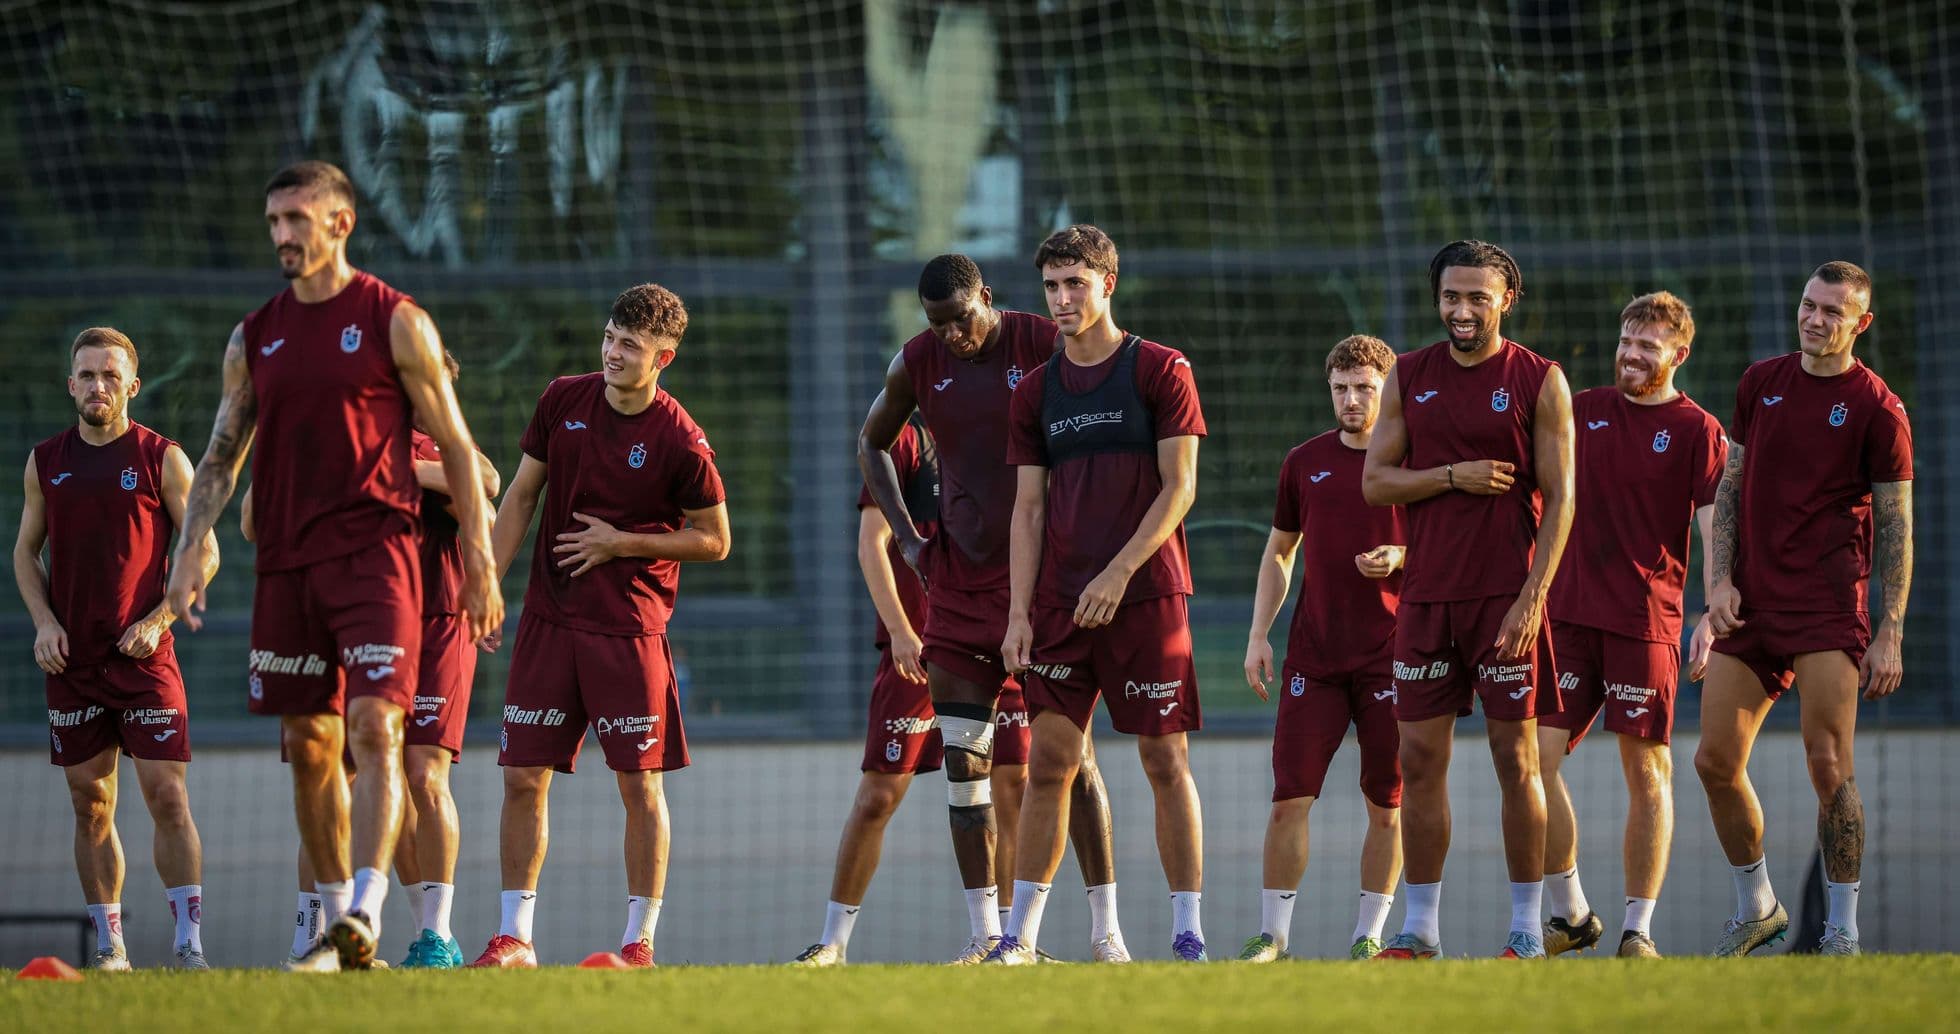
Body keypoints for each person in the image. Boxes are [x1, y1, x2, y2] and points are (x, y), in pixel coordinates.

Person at [164, 160, 502, 972]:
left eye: (298, 219)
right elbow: (219, 454)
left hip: (377, 560)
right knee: (310, 743)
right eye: (274, 220)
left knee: (376, 727)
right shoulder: (254, 336)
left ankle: (366, 912)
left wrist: (484, 563)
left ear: (340, 223)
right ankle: (332, 928)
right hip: (286, 563)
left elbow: (459, 449)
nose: (283, 235)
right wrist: (184, 557)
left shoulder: (396, 321)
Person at [857, 254, 1124, 963]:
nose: (952, 335)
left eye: (962, 319)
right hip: (960, 589)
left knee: (1071, 761)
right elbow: (871, 442)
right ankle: (988, 940)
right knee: (963, 764)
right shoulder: (916, 362)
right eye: (938, 325)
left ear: (988, 297)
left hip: (1048, 588)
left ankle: (1107, 937)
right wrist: (912, 544)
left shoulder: (1043, 342)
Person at [469, 284, 730, 969]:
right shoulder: (563, 399)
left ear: (663, 358)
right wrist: (486, 586)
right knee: (522, 778)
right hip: (549, 624)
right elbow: (523, 494)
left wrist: (622, 543)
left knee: (640, 787)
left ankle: (639, 944)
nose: (613, 353)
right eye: (610, 338)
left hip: (629, 632)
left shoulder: (680, 437)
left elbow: (714, 539)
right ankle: (514, 938)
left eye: (631, 347)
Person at [992, 225, 1207, 964]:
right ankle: (1019, 939)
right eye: (1051, 286)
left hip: (1146, 598)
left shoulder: (1160, 368)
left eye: (1075, 283)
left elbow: (1180, 489)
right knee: (1049, 763)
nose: (1060, 299)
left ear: (1107, 283)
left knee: (1163, 762)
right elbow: (1027, 508)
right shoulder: (1034, 389)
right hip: (1058, 607)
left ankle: (1187, 935)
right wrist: (1019, 614)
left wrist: (1117, 573)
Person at [244, 347, 499, 968]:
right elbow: (254, 520)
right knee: (331, 775)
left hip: (435, 622)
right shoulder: (321, 434)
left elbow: (486, 487)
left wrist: (392, 474)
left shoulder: (437, 444)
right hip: (337, 622)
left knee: (422, 775)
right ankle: (314, 936)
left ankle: (433, 935)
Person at [1362, 239, 1574, 959]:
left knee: (1518, 762)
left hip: (1504, 600)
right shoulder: (1407, 374)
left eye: (1477, 298)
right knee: (1417, 762)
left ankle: (1526, 929)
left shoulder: (1540, 379)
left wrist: (1532, 598)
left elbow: (1565, 499)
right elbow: (1376, 482)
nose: (1461, 310)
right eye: (1451, 296)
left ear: (1506, 300)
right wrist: (1453, 474)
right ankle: (1420, 931)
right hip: (1425, 599)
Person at [1697, 261, 1912, 957]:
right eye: (1809, 305)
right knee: (1713, 762)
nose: (1815, 320)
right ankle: (1758, 905)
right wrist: (1719, 583)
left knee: (1829, 765)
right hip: (1750, 607)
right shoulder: (1760, 383)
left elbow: (1897, 526)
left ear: (1861, 324)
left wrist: (1890, 632)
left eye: (1832, 311)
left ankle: (1841, 934)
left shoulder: (1880, 408)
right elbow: (1729, 488)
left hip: (1826, 610)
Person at [14, 327, 216, 970]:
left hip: (145, 657)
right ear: (70, 384)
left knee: (167, 796)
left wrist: (160, 621)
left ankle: (188, 945)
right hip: (72, 664)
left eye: (110, 376)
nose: (98, 386)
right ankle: (111, 948)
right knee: (90, 802)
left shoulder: (163, 457)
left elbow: (204, 552)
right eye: (86, 375)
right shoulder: (45, 460)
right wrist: (44, 621)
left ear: (132, 386)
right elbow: (25, 551)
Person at [1534, 292, 1724, 959]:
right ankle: (1573, 911)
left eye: (1647, 345)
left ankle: (1638, 929)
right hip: (1567, 618)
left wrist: (1711, 611)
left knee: (1647, 772)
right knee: (1532, 760)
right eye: (1625, 340)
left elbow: (1712, 527)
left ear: (1679, 354)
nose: (1632, 354)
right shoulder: (1582, 410)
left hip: (1646, 624)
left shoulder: (1700, 429)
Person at [1238, 335, 1406, 963]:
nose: (1352, 399)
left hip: (1394, 656)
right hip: (1315, 657)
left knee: (1386, 803)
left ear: (1387, 390)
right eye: (1341, 388)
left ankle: (1369, 934)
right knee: (1289, 799)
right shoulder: (1305, 461)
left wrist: (1402, 558)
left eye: (1364, 388)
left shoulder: (1414, 460)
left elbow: (1449, 549)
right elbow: (1280, 552)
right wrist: (1259, 634)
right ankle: (1273, 937)